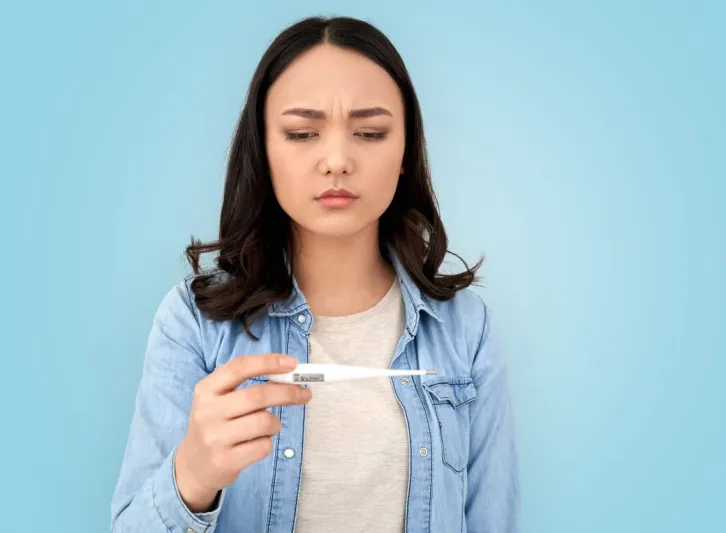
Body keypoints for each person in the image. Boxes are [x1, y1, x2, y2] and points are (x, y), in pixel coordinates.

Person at [110, 15, 519, 533]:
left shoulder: (466, 330)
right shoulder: (193, 324)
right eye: (302, 133)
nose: (337, 160)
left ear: (405, 152)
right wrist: (192, 476)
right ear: (263, 149)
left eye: (370, 133)